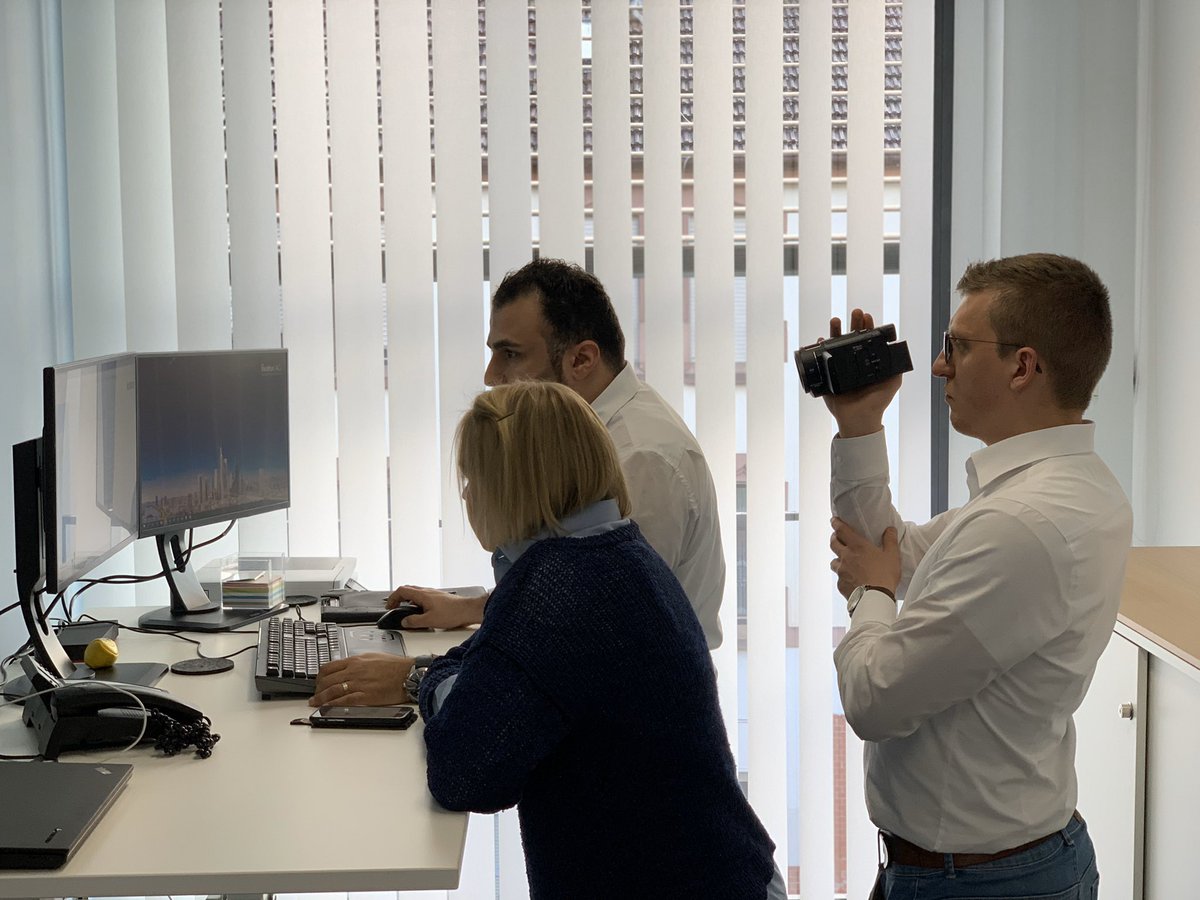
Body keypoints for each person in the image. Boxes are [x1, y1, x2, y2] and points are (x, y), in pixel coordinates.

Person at [822, 253, 1130, 898]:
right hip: (991, 864)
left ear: (1023, 367)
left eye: (957, 346)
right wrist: (860, 425)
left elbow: (875, 699)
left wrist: (871, 593)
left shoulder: (1024, 524)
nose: (939, 366)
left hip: (977, 882)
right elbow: (889, 548)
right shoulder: (1055, 491)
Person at [405, 380, 780, 899]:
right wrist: (460, 677)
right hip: (723, 873)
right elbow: (495, 655)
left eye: (474, 479)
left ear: (514, 484)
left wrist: (428, 683)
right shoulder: (619, 550)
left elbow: (463, 775)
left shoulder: (554, 589)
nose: (468, 496)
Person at [312, 258, 725, 709]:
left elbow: (585, 638)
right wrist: (469, 608)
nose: (491, 377)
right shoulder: (588, 440)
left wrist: (415, 678)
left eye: (510, 354)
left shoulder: (640, 457)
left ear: (581, 359)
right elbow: (569, 605)